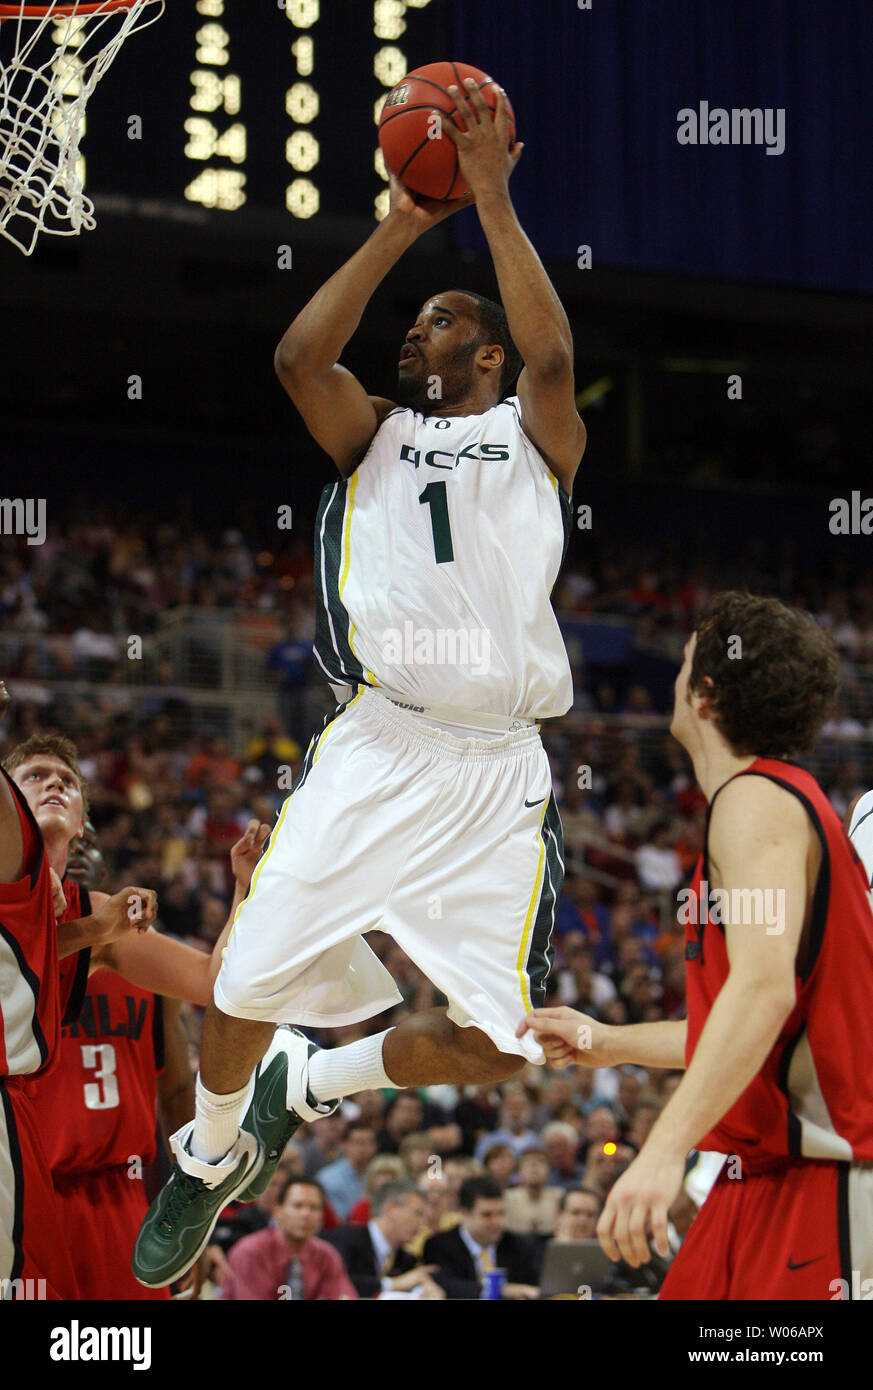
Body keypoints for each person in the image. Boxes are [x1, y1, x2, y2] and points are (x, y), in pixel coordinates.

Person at [135, 78, 586, 1286]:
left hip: (498, 772)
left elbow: (552, 350)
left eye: (437, 322)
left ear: (482, 354)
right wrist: (399, 225)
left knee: (508, 1049)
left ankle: (316, 1077)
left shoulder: (535, 436)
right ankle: (215, 1147)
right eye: (413, 323)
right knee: (243, 975)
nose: (411, 334)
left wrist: (489, 196)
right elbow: (298, 353)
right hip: (380, 741)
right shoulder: (371, 433)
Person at [520, 592, 873, 1300]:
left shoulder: (756, 800)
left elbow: (762, 991)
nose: (673, 676)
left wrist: (659, 1151)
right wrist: (608, 1040)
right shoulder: (764, 803)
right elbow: (751, 1030)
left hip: (822, 1178)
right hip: (757, 1182)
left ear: (705, 694)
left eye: (683, 663)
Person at [0, 686, 157, 1299]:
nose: (53, 785)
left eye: (67, 778)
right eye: (33, 776)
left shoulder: (89, 919)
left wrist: (95, 928)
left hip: (82, 1178)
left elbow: (210, 983)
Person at [221, 1178, 356, 1301]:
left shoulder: (327, 1255)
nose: (306, 1214)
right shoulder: (250, 1252)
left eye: (314, 1208)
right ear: (278, 1211)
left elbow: (344, 1294)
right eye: (298, 1206)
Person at [423, 1175, 542, 1300]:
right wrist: (500, 1290)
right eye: (487, 1215)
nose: (497, 1222)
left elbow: (534, 1286)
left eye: (501, 1213)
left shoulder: (520, 1245)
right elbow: (447, 1286)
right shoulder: (439, 1246)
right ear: (464, 1214)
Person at [323, 1181, 444, 1300]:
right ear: (389, 1210)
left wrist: (426, 1289)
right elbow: (337, 1282)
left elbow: (414, 1281)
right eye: (418, 1213)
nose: (422, 1223)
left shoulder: (406, 1259)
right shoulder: (345, 1239)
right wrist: (393, 1284)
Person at [316, 1121, 379, 1220]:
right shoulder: (327, 1178)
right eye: (359, 1143)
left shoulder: (379, 1175)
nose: (364, 1148)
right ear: (345, 1145)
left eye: (369, 1142)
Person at [503, 1147, 563, 1237]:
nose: (534, 1167)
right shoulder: (506, 1198)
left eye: (540, 1162)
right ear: (519, 1172)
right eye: (528, 1163)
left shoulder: (559, 1197)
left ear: (549, 1171)